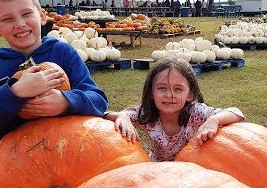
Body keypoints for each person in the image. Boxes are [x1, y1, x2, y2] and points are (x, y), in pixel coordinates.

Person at [0, 0, 109, 188]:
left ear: (42, 16)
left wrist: (65, 101)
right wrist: (15, 91)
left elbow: (98, 100)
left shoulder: (63, 52)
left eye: (26, 14)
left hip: (58, 151)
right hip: (2, 159)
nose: (19, 24)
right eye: (8, 19)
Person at [104, 57, 245, 161]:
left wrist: (214, 120)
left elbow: (236, 113)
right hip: (157, 173)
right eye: (162, 88)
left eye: (178, 89)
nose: (169, 95)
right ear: (151, 93)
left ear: (189, 94)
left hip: (190, 172)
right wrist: (121, 117)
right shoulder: (147, 115)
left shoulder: (196, 113)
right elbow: (107, 115)